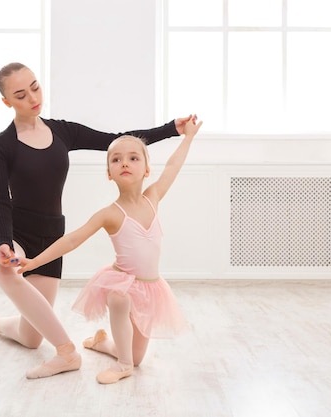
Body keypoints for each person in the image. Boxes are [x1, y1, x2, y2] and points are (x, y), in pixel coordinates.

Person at [0, 62, 193, 379]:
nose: (32, 97)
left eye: (35, 86)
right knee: (4, 267)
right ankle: (67, 353)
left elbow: (118, 140)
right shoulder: (0, 147)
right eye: (20, 94)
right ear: (7, 102)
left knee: (31, 337)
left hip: (49, 235)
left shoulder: (63, 132)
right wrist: (4, 241)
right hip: (12, 231)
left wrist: (172, 128)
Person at [16, 115, 203, 384]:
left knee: (139, 357)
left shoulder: (153, 198)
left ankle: (104, 344)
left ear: (147, 170)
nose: (124, 162)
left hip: (150, 287)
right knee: (118, 298)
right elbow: (73, 239)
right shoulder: (110, 214)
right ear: (109, 173)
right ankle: (122, 365)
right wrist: (34, 263)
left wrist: (188, 137)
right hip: (123, 282)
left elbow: (173, 166)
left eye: (133, 158)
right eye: (116, 159)